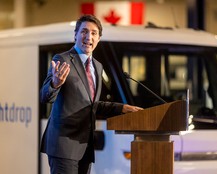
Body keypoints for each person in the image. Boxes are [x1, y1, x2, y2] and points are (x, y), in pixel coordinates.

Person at [40, 14, 143, 174]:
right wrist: (55, 84)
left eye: (94, 33)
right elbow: (45, 97)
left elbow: (91, 105)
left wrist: (121, 108)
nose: (89, 37)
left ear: (99, 38)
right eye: (84, 32)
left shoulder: (97, 66)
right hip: (63, 145)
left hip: (85, 145)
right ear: (75, 34)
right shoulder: (63, 59)